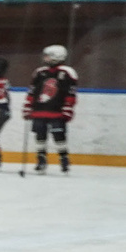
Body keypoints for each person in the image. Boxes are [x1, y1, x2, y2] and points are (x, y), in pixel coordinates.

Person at [25, 45, 78, 173]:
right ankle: (41, 159)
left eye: (48, 55)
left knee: (58, 135)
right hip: (39, 110)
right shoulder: (39, 72)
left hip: (57, 110)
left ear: (57, 56)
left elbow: (70, 93)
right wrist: (28, 106)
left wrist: (67, 108)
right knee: (40, 135)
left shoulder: (67, 72)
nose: (45, 58)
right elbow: (32, 91)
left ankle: (63, 157)